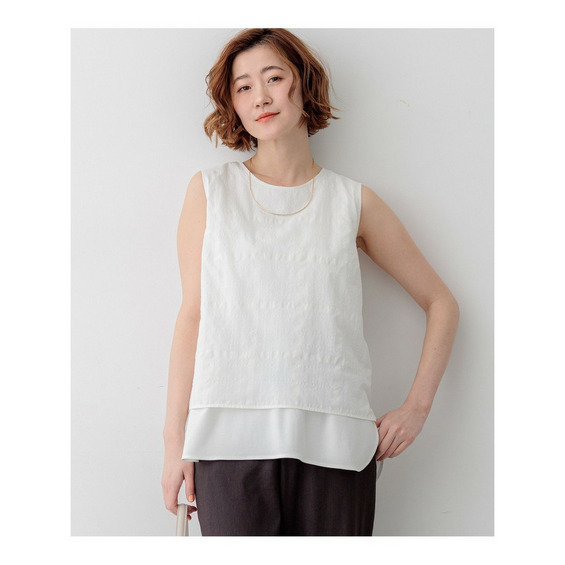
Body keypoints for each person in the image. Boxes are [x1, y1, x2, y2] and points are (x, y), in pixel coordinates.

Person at [161, 28, 459, 536]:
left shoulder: (353, 202)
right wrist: (175, 446)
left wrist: (416, 408)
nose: (261, 96)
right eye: (243, 87)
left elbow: (441, 302)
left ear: (304, 84)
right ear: (234, 105)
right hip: (227, 448)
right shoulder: (211, 191)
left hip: (337, 448)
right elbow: (193, 316)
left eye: (274, 78)